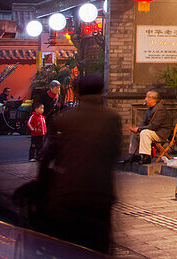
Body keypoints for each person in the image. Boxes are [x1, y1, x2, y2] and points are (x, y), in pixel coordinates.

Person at [38, 74, 120, 254]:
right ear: (101, 92)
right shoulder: (112, 119)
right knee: (100, 245)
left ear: (77, 93)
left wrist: (42, 187)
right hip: (100, 193)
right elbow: (114, 154)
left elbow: (47, 158)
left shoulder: (63, 119)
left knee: (69, 245)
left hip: (69, 191)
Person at [125, 90, 173, 165]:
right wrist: (137, 129)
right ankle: (135, 155)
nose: (145, 99)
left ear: (154, 99)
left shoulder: (160, 109)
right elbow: (145, 123)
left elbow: (154, 126)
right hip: (153, 132)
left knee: (145, 133)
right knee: (135, 133)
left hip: (161, 133)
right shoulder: (149, 109)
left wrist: (140, 129)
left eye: (148, 97)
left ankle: (146, 157)